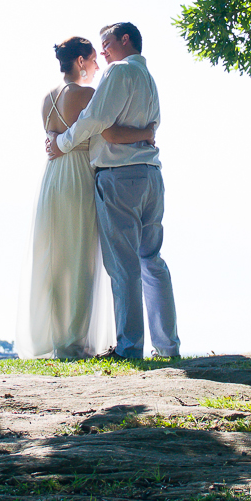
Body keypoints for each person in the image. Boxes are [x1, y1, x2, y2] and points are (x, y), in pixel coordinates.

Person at [45, 22, 178, 360]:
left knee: (123, 267)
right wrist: (136, 134)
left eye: (105, 42)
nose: (102, 51)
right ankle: (167, 345)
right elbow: (151, 127)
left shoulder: (118, 72)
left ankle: (129, 348)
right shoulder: (150, 79)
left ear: (125, 39)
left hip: (119, 176)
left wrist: (62, 143)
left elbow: (94, 121)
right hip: (151, 174)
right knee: (152, 260)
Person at [17, 36, 155, 359]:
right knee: (81, 257)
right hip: (79, 173)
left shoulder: (46, 99)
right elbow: (106, 131)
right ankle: (74, 340)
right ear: (80, 61)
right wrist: (145, 133)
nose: (97, 66)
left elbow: (52, 140)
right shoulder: (88, 95)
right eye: (93, 60)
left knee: (54, 257)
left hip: (52, 176)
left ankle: (52, 336)